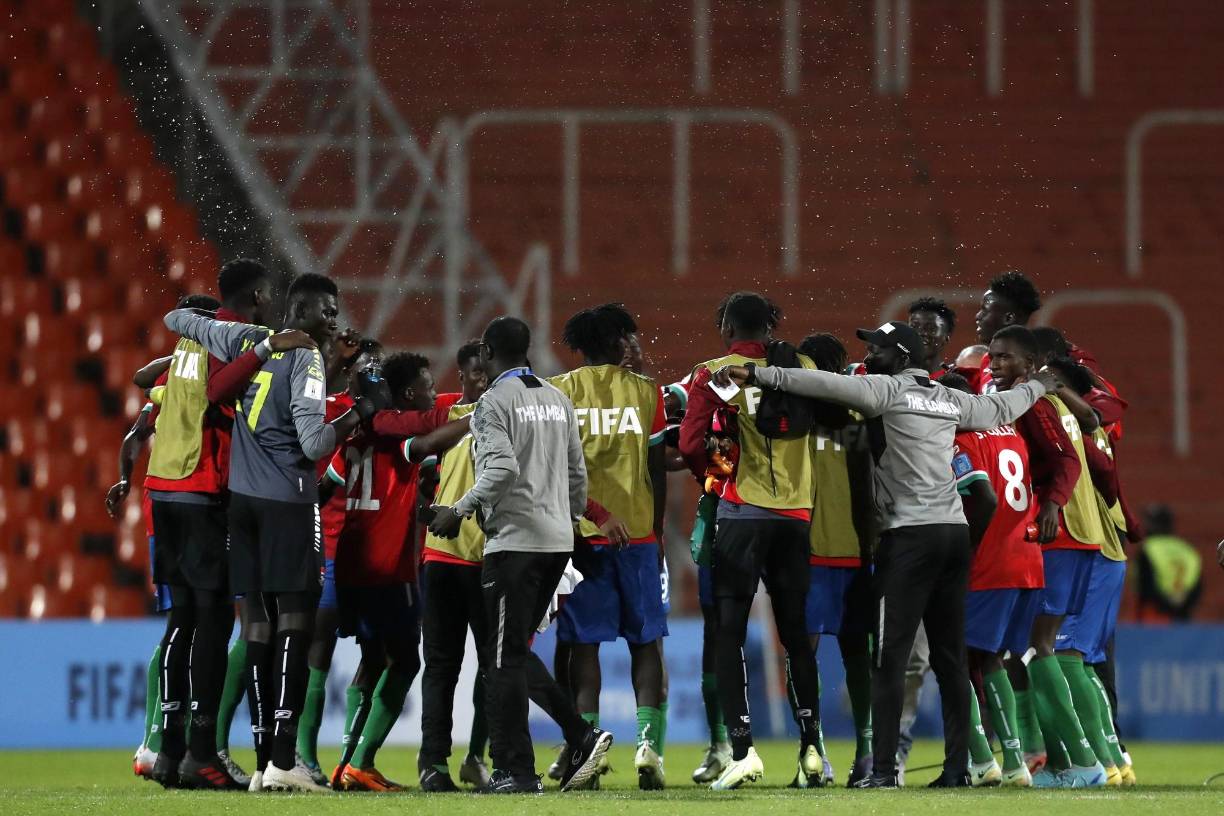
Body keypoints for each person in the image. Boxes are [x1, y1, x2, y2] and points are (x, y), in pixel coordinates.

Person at [712, 319, 1056, 788]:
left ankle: (882, 772)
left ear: (900, 357)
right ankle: (957, 769)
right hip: (953, 534)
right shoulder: (948, 398)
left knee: (889, 659)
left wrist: (757, 374)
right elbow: (1001, 406)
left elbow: (821, 383)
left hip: (909, 538)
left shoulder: (887, 391)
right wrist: (1040, 384)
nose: (870, 356)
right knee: (951, 660)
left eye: (878, 349)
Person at [164, 272, 380, 793]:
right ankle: (284, 758)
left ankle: (264, 762)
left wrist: (267, 346)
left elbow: (177, 319)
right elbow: (313, 443)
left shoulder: (247, 340)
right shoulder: (305, 357)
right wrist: (360, 413)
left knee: (257, 624)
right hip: (288, 501)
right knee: (295, 622)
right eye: (327, 310)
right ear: (301, 309)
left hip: (243, 504)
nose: (334, 319)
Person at [427, 316, 613, 794]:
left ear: (488, 354)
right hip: (556, 542)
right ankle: (576, 738)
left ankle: (519, 770)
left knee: (503, 661)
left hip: (515, 543)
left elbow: (502, 470)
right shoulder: (557, 398)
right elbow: (576, 474)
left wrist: (458, 510)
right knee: (510, 654)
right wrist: (568, 522)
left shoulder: (493, 402)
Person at [678, 291, 823, 791]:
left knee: (728, 632)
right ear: (771, 327)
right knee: (796, 634)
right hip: (796, 516)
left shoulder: (714, 373)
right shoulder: (803, 366)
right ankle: (811, 748)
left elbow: (690, 442)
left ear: (726, 328)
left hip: (741, 514)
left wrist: (711, 474)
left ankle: (742, 751)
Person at [549, 304, 669, 790]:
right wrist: (657, 531)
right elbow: (656, 467)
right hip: (637, 535)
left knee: (584, 647)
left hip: (581, 537)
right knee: (646, 642)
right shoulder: (645, 392)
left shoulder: (559, 392)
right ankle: (648, 746)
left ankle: (587, 750)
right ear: (619, 342)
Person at [988, 327, 1110, 789]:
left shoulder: (1034, 402)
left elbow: (1066, 463)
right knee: (1035, 647)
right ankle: (1064, 763)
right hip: (1074, 536)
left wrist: (1053, 506)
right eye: (993, 358)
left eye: (1005, 358)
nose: (996, 365)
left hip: (1056, 535)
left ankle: (1082, 763)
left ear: (1031, 364)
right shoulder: (1048, 401)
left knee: (1037, 646)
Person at [940, 371, 1041, 788]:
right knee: (991, 658)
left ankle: (983, 759)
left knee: (954, 658)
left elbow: (984, 498)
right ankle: (1014, 761)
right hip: (1026, 559)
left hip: (989, 561)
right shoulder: (1011, 432)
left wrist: (965, 552)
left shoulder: (962, 439)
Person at [794, 333, 875, 788]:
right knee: (857, 656)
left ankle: (815, 755)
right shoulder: (860, 417)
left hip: (805, 554)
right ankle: (866, 754)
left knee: (802, 656)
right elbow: (868, 489)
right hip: (857, 551)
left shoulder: (792, 419)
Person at [416, 340, 495, 790]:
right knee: (442, 665)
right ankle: (433, 762)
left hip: (490, 558)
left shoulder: (506, 415)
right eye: (476, 373)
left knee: (493, 667)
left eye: (488, 371)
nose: (484, 379)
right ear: (461, 377)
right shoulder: (447, 415)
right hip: (444, 555)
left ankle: (479, 757)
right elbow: (418, 459)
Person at [972, 270, 1043, 393]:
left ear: (1009, 318)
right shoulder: (987, 360)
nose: (977, 316)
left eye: (985, 310)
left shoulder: (1040, 364)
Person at [1135, 504, 1202, 622]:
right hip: (1183, 614)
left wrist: (1164, 605)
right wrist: (1182, 605)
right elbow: (1198, 585)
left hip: (1154, 615)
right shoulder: (1187, 549)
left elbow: (1145, 585)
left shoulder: (1149, 548)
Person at [907, 296, 957, 376]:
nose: (920, 332)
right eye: (914, 326)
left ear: (947, 336)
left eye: (930, 328)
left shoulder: (956, 381)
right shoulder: (892, 378)